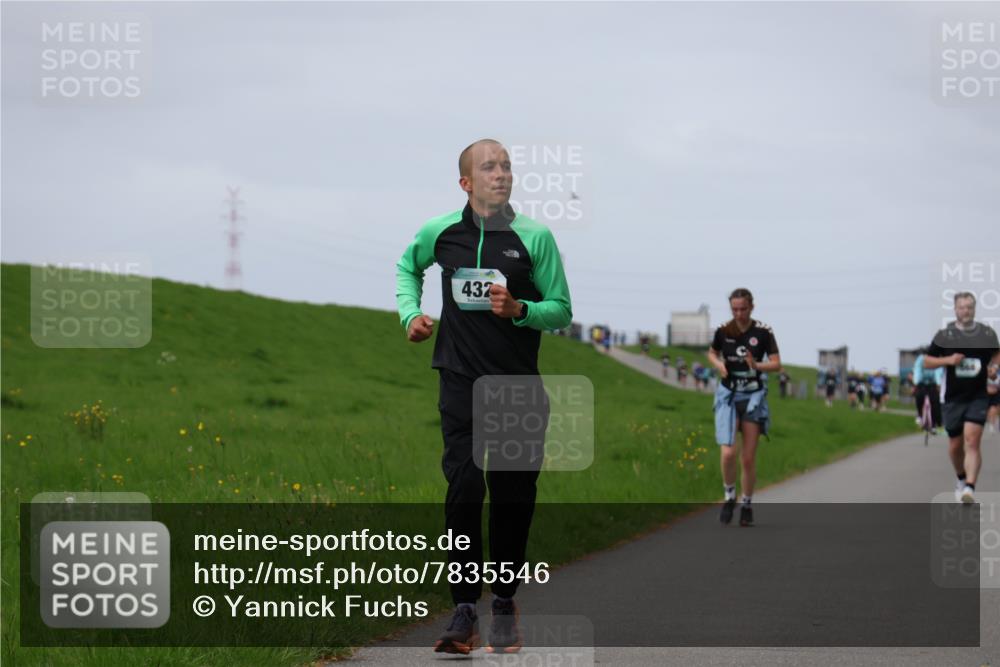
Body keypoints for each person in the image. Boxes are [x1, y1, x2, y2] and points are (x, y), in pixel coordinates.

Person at [396, 139, 572, 653]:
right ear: (466, 184)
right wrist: (412, 314)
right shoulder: (441, 232)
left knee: (512, 497)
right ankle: (465, 609)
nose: (501, 173)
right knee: (464, 490)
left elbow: (560, 308)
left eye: (507, 166)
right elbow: (407, 267)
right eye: (489, 167)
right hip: (459, 381)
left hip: (517, 387)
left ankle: (503, 602)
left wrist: (521, 310)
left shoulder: (534, 237)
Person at [707, 288, 781, 527]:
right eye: (734, 309)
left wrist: (756, 365)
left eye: (743, 309)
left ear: (752, 307)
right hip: (729, 395)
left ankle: (747, 504)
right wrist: (719, 365)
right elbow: (711, 353)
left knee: (747, 459)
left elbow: (777, 364)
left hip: (752, 398)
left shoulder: (763, 332)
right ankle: (729, 496)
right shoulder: (723, 330)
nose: (739, 314)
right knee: (728, 453)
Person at [923, 292, 1000, 504]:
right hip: (952, 397)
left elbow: (996, 354)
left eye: (969, 307)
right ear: (955, 310)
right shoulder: (945, 335)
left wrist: (993, 368)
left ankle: (970, 487)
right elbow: (927, 362)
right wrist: (949, 359)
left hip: (978, 396)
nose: (966, 311)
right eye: (962, 307)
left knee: (972, 441)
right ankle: (961, 478)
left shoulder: (986, 334)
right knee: (955, 446)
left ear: (974, 309)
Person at [913, 348, 944, 432]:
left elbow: (938, 371)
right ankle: (919, 415)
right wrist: (916, 382)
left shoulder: (936, 360)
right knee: (919, 396)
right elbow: (917, 371)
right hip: (922, 383)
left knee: (935, 402)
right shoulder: (920, 360)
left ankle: (934, 424)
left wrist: (938, 383)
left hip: (933, 384)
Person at [988, 363, 999, 433]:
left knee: (993, 407)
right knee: (993, 407)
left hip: (995, 390)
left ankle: (992, 423)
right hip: (988, 390)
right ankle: (992, 423)